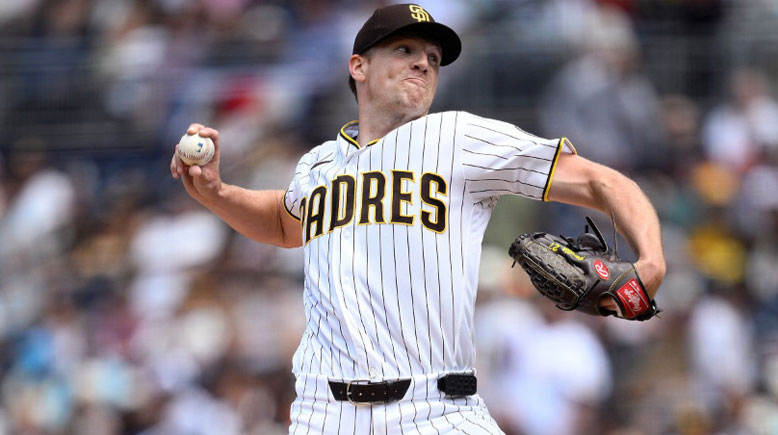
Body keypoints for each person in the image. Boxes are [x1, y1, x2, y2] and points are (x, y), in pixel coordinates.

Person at [170, 4, 666, 434]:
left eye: (432, 58)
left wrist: (652, 260)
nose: (423, 63)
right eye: (404, 50)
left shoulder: (459, 138)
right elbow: (283, 223)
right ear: (358, 66)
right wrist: (218, 193)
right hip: (324, 413)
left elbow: (602, 182)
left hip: (436, 409)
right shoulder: (318, 163)